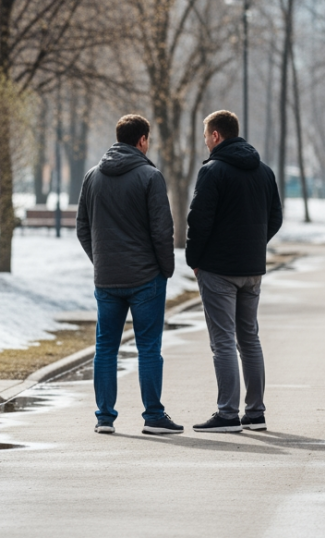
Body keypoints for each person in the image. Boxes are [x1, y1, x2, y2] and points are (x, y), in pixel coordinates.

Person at [76, 114, 182, 435]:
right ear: (142, 140)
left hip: (107, 279)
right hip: (145, 278)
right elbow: (162, 231)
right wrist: (166, 268)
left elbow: (82, 227)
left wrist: (101, 260)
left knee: (105, 347)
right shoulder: (150, 176)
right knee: (148, 348)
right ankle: (153, 417)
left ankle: (104, 417)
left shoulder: (93, 176)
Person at [185, 110, 282, 433]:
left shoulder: (213, 171)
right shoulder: (264, 171)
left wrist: (194, 259)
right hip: (252, 269)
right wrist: (254, 245)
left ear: (215, 136)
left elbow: (199, 220)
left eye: (205, 136)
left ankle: (227, 413)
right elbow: (276, 218)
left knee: (223, 341)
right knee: (249, 339)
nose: (205, 142)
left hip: (218, 269)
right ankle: (255, 413)